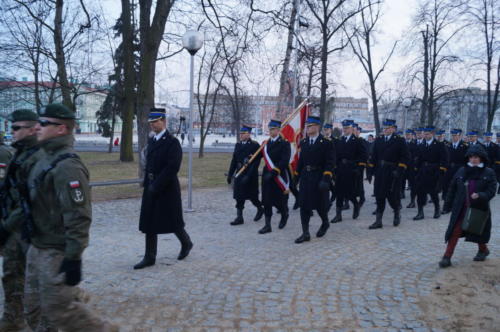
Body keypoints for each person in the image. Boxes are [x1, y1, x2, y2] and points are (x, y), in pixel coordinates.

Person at [21, 103, 118, 331]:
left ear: (61, 129)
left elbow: (79, 215)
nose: (37, 128)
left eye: (44, 124)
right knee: (34, 310)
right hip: (36, 247)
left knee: (62, 312)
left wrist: (73, 257)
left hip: (55, 251)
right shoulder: (42, 158)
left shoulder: (67, 166)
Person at [136, 108, 193, 269]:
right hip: (151, 186)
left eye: (156, 121)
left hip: (166, 188)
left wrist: (157, 185)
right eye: (151, 123)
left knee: (173, 221)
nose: (153, 125)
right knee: (149, 221)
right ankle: (149, 256)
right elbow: (148, 164)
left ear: (164, 121)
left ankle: (186, 242)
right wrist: (148, 184)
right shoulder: (152, 141)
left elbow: (172, 167)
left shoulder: (172, 142)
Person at [0, 110, 39, 331]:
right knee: (12, 273)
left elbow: (30, 199)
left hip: (30, 228)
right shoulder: (19, 153)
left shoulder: (38, 156)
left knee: (39, 280)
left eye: (16, 128)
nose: (11, 131)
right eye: (10, 127)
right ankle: (12, 318)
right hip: (16, 226)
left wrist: (6, 225)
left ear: (33, 128)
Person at [439, 144, 497, 267]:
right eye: (471, 157)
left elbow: (492, 190)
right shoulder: (462, 170)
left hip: (479, 209)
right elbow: (452, 188)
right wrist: (447, 205)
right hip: (461, 208)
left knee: (477, 232)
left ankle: (483, 250)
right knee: (454, 231)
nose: (473, 159)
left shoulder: (489, 172)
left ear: (481, 158)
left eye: (476, 157)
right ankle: (447, 256)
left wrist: (481, 195)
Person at [294, 116, 335, 243]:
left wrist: (326, 179)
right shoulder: (304, 142)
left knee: (320, 206)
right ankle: (305, 233)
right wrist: (295, 177)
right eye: (307, 126)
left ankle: (325, 222)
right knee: (304, 205)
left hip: (319, 177)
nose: (307, 128)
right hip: (306, 177)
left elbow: (330, 162)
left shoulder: (326, 143)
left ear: (317, 127)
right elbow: (301, 162)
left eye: (310, 126)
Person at [368, 119, 410, 229]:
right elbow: (374, 156)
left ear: (393, 128)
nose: (385, 130)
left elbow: (405, 157)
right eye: (384, 128)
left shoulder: (399, 140)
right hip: (380, 172)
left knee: (392, 197)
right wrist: (370, 171)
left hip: (392, 173)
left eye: (388, 128)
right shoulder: (379, 140)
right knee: (379, 196)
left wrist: (399, 170)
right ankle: (378, 221)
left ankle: (396, 212)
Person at [258, 120, 291, 234]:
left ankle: (284, 214)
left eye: (273, 129)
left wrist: (275, 171)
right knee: (266, 200)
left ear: (278, 130)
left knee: (279, 201)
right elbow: (259, 156)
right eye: (270, 129)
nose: (271, 131)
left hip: (278, 175)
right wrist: (250, 157)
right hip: (267, 174)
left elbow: (285, 160)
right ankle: (268, 225)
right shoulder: (265, 144)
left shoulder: (284, 143)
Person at [331, 119, 367, 223]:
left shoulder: (357, 141)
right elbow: (336, 155)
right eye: (344, 128)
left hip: (351, 170)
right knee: (338, 192)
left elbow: (363, 156)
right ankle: (338, 215)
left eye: (347, 128)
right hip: (340, 170)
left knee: (350, 193)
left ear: (352, 129)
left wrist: (358, 169)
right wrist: (334, 167)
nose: (345, 130)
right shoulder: (340, 140)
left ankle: (355, 205)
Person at [227, 125, 264, 225]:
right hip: (239, 173)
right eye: (241, 133)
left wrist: (249, 175)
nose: (241, 135)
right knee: (239, 196)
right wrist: (230, 174)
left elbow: (256, 162)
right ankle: (239, 217)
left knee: (253, 197)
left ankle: (260, 209)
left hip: (250, 175)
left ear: (248, 134)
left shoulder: (254, 145)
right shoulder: (238, 145)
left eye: (243, 133)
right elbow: (234, 160)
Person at [413, 126, 448, 220]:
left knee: (433, 193)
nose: (425, 135)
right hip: (423, 171)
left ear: (432, 134)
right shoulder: (422, 145)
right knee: (420, 192)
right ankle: (420, 212)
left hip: (434, 172)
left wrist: (440, 171)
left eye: (427, 134)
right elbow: (419, 159)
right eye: (424, 134)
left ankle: (437, 209)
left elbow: (444, 159)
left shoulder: (439, 145)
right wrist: (416, 169)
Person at [442, 129, 468, 202]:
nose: (453, 137)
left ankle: (457, 201)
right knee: (446, 185)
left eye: (455, 135)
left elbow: (466, 159)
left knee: (458, 186)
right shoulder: (447, 145)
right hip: (449, 168)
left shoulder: (465, 146)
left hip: (459, 169)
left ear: (459, 136)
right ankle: (446, 202)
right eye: (452, 135)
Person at [403, 129, 418, 208]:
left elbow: (416, 156)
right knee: (399, 183)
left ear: (412, 135)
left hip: (411, 167)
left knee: (412, 185)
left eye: (409, 134)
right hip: (403, 166)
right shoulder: (403, 143)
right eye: (406, 134)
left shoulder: (415, 143)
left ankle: (412, 201)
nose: (407, 136)